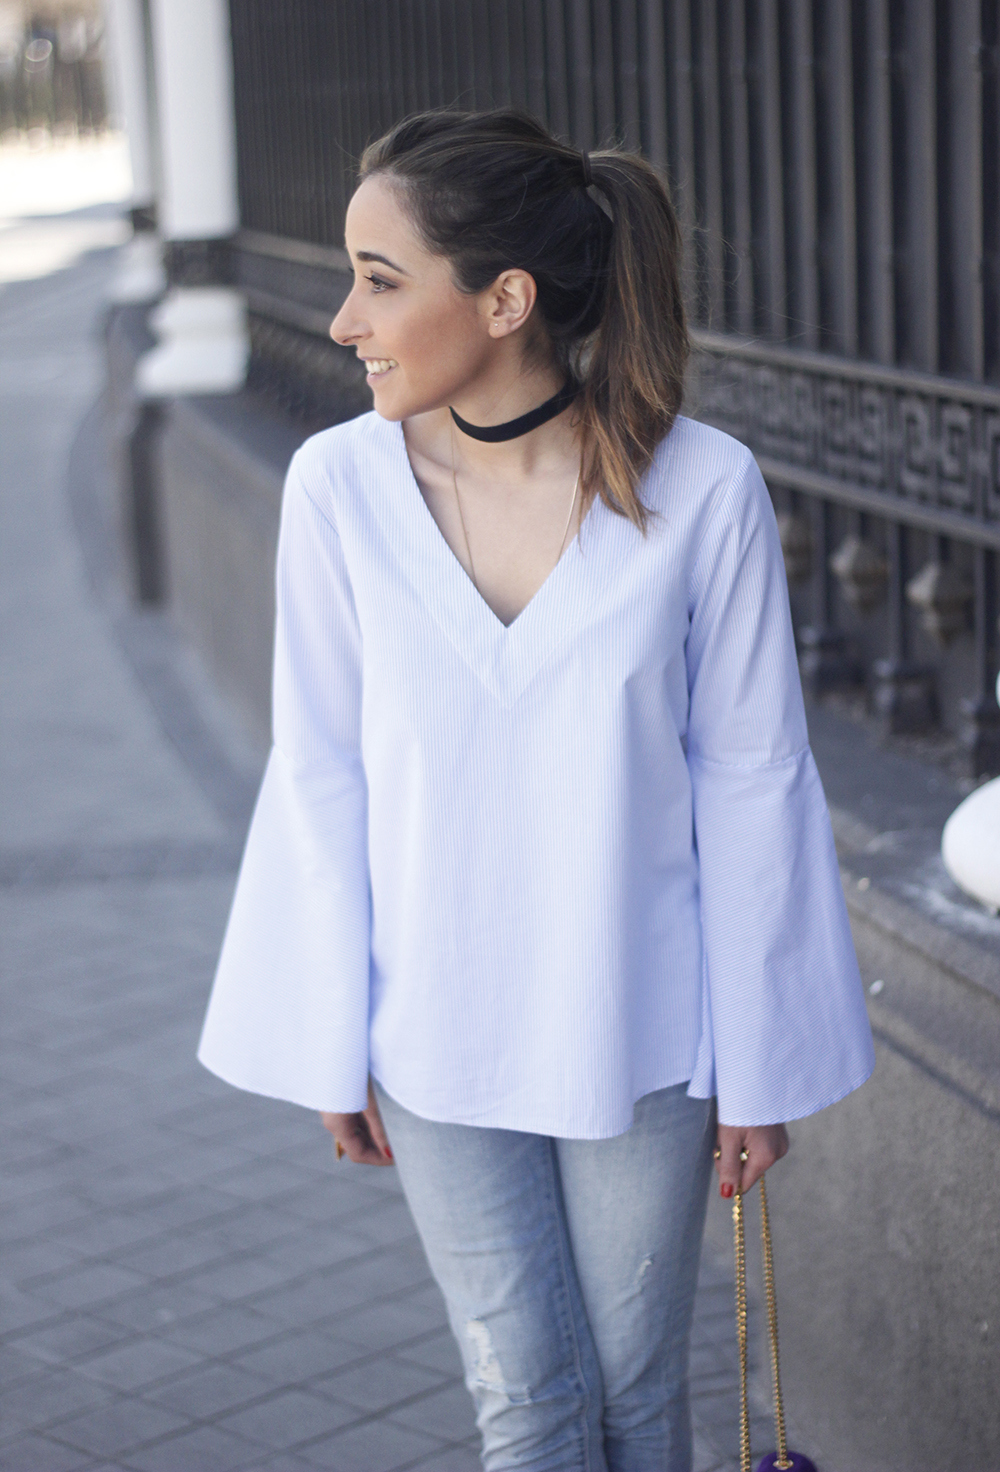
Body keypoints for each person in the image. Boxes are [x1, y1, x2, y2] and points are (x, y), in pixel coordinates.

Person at [198, 108, 874, 1472]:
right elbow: (319, 769)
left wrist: (764, 1062)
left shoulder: (705, 491)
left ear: (506, 299)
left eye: (382, 279)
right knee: (528, 1403)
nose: (344, 320)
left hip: (643, 1030)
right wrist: (323, 1024)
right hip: (432, 1032)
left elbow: (754, 783)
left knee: (636, 1402)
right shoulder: (338, 489)